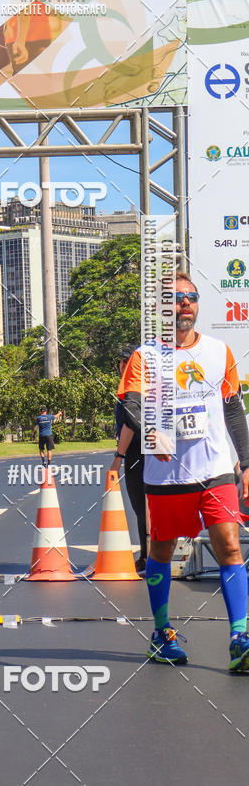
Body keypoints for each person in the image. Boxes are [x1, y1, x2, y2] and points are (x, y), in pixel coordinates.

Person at [118, 271, 249, 671]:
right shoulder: (146, 356)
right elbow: (131, 405)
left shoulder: (219, 352)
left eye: (190, 297)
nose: (185, 304)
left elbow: (232, 409)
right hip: (167, 476)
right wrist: (152, 432)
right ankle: (162, 633)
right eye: (176, 298)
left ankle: (240, 638)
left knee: (229, 544)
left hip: (215, 469)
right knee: (161, 551)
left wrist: (247, 463)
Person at [111, 345, 147, 575]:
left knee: (142, 507)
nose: (123, 366)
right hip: (146, 451)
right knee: (146, 508)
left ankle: (148, 557)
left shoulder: (131, 389)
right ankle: (148, 555)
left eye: (125, 362)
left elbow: (129, 426)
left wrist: (118, 457)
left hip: (136, 453)